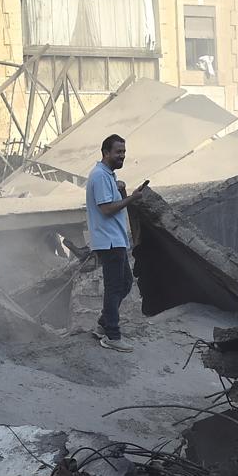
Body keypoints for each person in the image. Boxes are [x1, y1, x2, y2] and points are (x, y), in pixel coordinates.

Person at [86, 133, 149, 352]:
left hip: (116, 240)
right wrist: (132, 198)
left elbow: (113, 202)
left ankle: (104, 324)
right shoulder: (100, 176)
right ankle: (113, 335)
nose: (122, 156)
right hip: (109, 241)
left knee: (124, 283)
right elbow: (106, 209)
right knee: (114, 287)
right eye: (118, 152)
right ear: (106, 153)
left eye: (123, 152)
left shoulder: (107, 175)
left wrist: (122, 191)